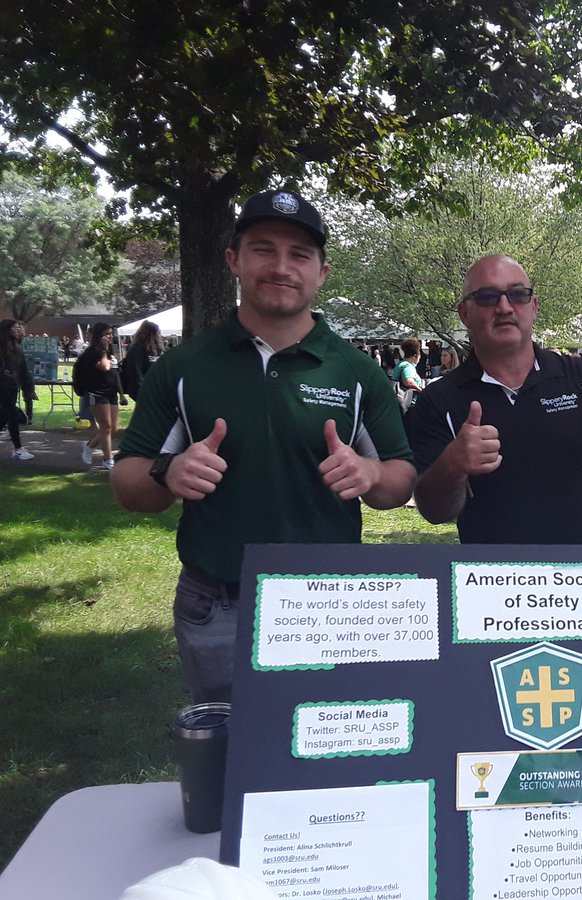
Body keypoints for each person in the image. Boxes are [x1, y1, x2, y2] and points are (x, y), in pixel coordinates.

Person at [112, 188, 417, 702]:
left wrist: (370, 474)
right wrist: (168, 470)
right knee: (225, 745)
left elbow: (400, 482)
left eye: (299, 255)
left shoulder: (357, 371)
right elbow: (127, 484)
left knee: (326, 743)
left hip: (331, 602)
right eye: (263, 249)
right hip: (218, 602)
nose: (281, 267)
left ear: (321, 272)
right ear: (234, 260)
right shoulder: (184, 367)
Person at [408, 253, 582, 544]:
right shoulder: (439, 399)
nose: (504, 307)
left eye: (517, 294)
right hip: (488, 570)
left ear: (534, 307)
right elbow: (435, 512)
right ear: (464, 313)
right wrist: (453, 464)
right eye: (487, 297)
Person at [75, 321, 126, 469]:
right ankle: (107, 459)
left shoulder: (109, 351)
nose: (110, 337)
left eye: (111, 334)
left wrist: (121, 393)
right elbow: (104, 367)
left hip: (111, 393)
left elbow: (115, 373)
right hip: (97, 393)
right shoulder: (92, 353)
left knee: (113, 428)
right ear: (99, 336)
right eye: (107, 334)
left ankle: (89, 446)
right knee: (106, 426)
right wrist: (104, 351)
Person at [0, 319, 36, 460]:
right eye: (15, 327)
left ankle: (18, 449)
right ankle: (18, 448)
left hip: (12, 386)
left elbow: (23, 369)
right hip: (3, 386)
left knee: (6, 415)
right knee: (12, 414)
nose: (18, 329)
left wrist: (29, 387)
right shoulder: (2, 348)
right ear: (7, 330)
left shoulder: (16, 348)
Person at [121, 321, 165, 401]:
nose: (160, 336)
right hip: (144, 391)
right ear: (151, 334)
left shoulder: (155, 350)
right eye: (158, 333)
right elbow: (136, 373)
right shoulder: (137, 350)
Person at [391, 338, 425, 413]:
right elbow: (409, 382)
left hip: (398, 403)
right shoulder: (408, 366)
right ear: (415, 356)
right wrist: (421, 390)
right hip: (409, 405)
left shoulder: (400, 364)